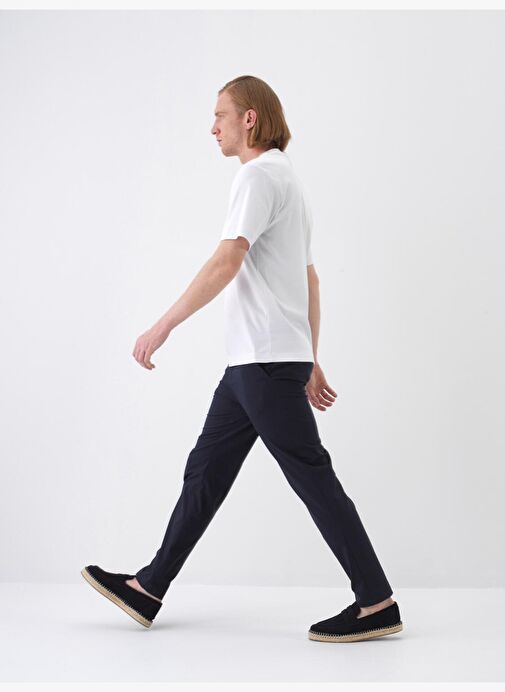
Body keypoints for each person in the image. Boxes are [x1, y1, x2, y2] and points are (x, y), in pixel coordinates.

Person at [82, 75, 403, 641]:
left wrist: (162, 326)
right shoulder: (288, 180)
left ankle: (376, 601)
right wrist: (309, 356)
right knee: (205, 473)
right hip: (257, 364)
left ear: (249, 118)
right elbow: (309, 279)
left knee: (313, 478)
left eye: (220, 115)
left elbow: (227, 260)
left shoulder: (257, 177)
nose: (213, 127)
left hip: (264, 365)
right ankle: (148, 587)